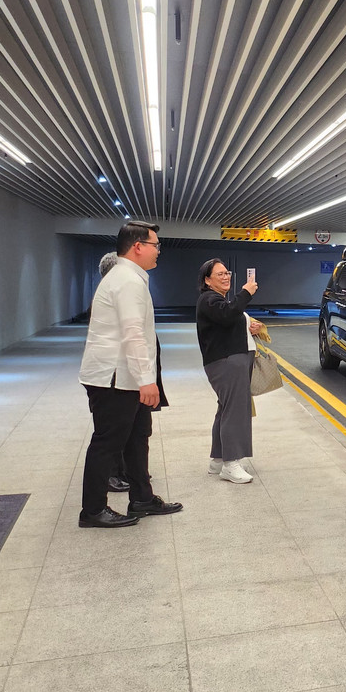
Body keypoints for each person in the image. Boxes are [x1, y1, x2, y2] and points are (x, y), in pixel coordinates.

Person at [78, 222, 183, 527]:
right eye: (156, 245)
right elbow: (133, 333)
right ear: (138, 246)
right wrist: (146, 380)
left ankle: (141, 498)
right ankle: (93, 510)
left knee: (138, 438)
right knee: (108, 443)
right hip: (114, 379)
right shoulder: (127, 280)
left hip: (122, 377)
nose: (158, 251)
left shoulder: (128, 278)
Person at [196, 259, 263, 484]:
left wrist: (249, 326)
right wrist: (245, 292)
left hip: (232, 360)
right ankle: (231, 462)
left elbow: (227, 321)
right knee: (235, 411)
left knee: (225, 409)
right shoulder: (209, 299)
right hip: (226, 362)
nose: (226, 277)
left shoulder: (219, 300)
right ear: (207, 280)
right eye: (219, 274)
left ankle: (218, 458)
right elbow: (227, 314)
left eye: (227, 273)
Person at [96, 251, 132, 495]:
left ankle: (123, 470)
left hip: (120, 374)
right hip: (112, 376)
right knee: (111, 429)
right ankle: (110, 475)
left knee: (127, 428)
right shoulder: (110, 300)